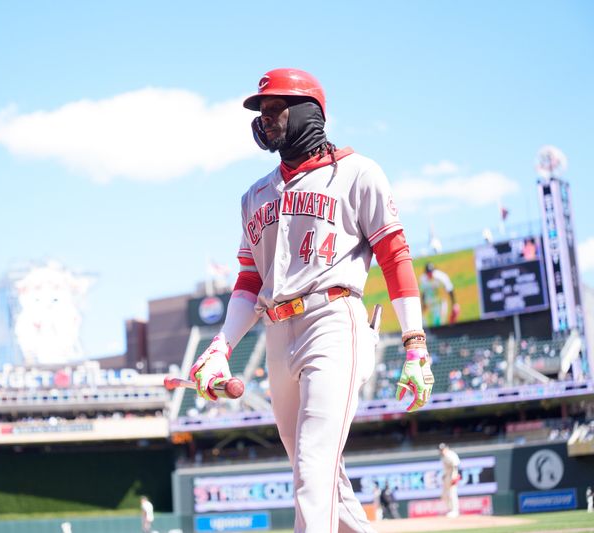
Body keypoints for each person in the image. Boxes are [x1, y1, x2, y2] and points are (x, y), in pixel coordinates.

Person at [188, 68, 434, 533]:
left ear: (309, 112)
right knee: (321, 477)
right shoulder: (253, 196)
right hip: (277, 331)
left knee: (312, 465)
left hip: (333, 319)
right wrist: (221, 345)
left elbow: (395, 256)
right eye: (262, 111)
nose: (266, 119)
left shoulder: (358, 172)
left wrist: (414, 342)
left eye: (276, 108)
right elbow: (247, 280)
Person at [419, 262, 460, 326]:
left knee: (438, 322)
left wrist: (454, 304)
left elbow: (450, 289)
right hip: (430, 302)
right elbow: (423, 292)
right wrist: (423, 304)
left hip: (440, 302)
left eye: (431, 272)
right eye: (428, 272)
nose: (430, 274)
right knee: (424, 322)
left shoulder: (441, 277)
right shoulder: (423, 279)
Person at [439, 443, 461, 518]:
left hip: (452, 475)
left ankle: (455, 511)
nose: (442, 451)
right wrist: (444, 476)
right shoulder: (443, 456)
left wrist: (454, 476)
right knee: (444, 495)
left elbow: (456, 465)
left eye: (443, 449)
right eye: (441, 449)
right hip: (447, 476)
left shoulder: (451, 454)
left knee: (452, 493)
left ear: (447, 448)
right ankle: (450, 509)